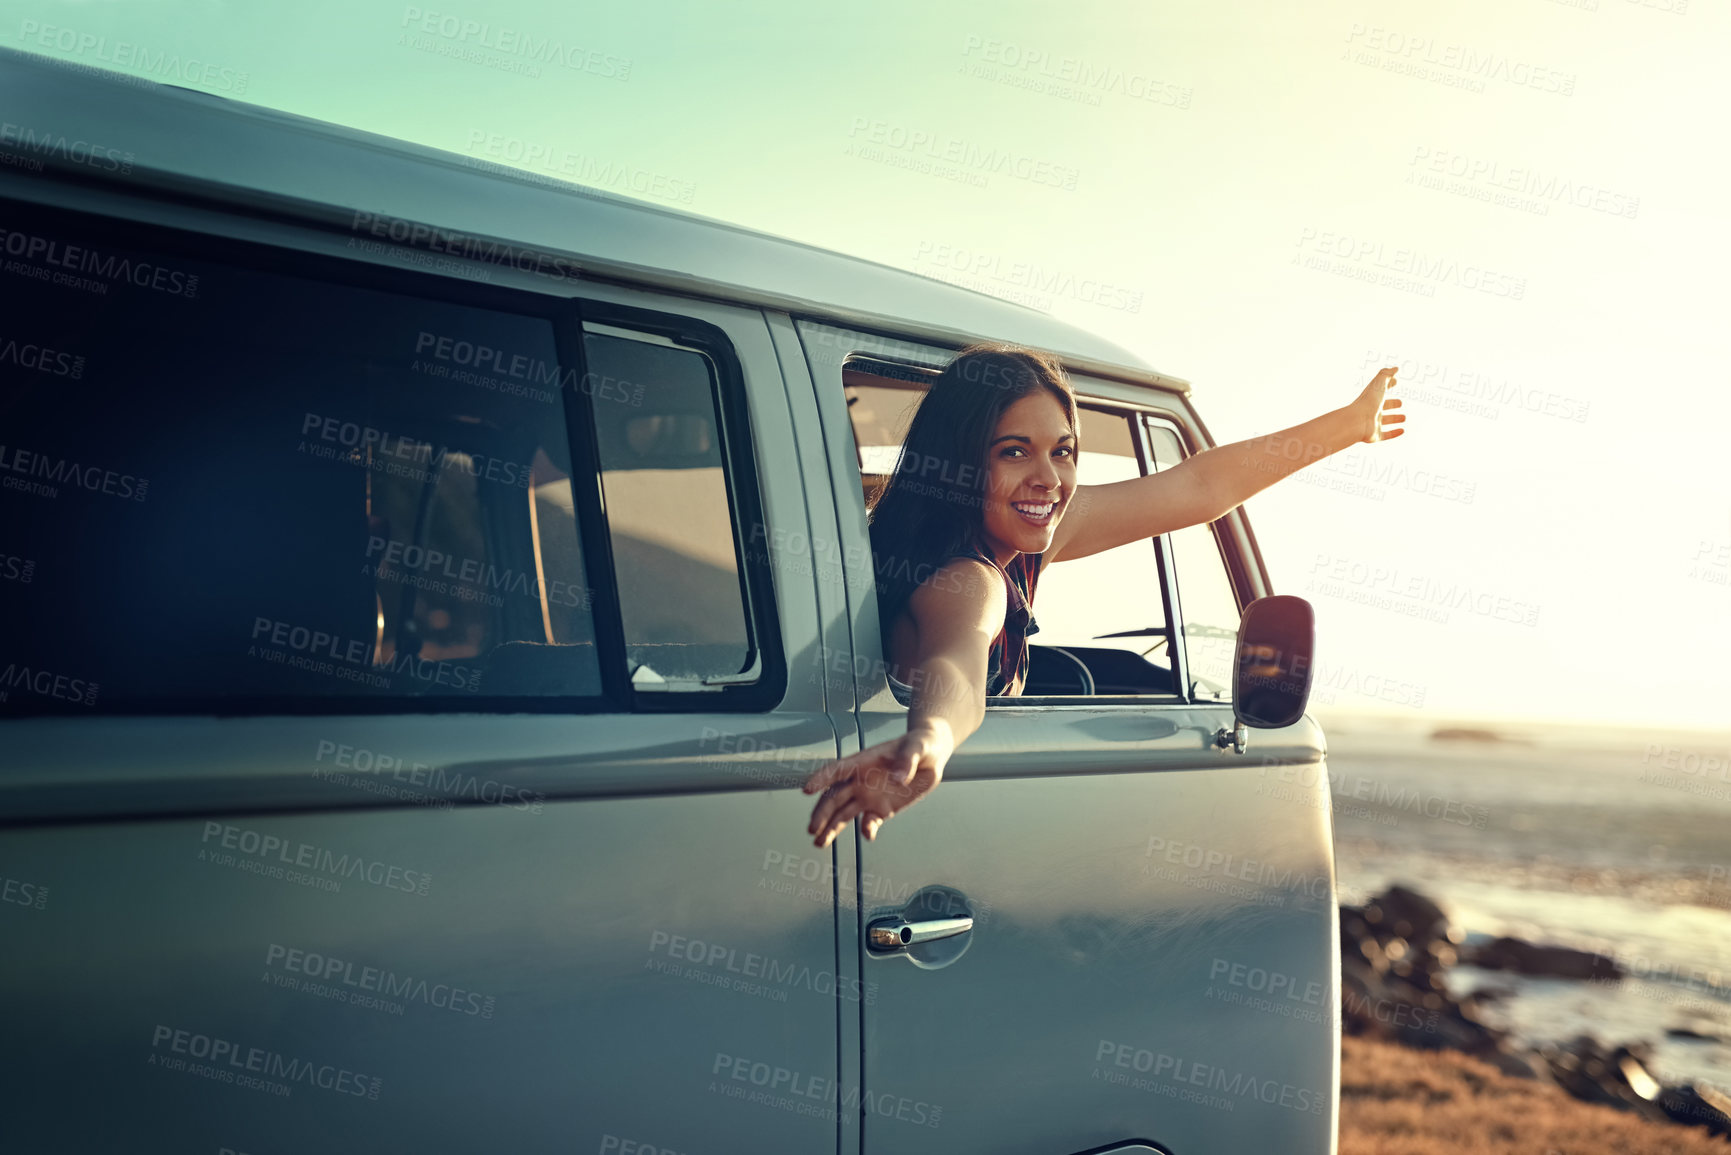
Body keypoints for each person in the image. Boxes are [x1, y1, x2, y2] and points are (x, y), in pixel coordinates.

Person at [803, 344, 1404, 848]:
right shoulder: (970, 579)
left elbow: (1198, 485)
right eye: (1014, 451)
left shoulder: (1020, 534)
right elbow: (957, 662)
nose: (1048, 478)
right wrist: (930, 740)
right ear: (958, 462)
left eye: (1061, 451)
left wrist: (1349, 425)